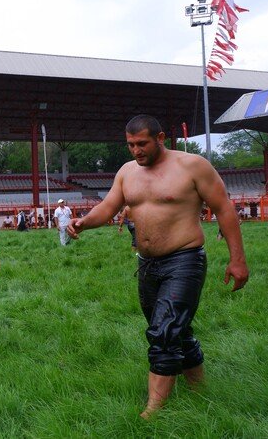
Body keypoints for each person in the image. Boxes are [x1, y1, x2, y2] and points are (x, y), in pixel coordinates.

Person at [66, 115, 249, 419]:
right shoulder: (127, 172)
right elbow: (109, 207)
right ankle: (198, 390)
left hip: (184, 260)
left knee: (163, 332)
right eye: (130, 145)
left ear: (160, 137)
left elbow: (224, 209)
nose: (136, 150)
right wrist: (84, 223)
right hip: (147, 264)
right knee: (177, 329)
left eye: (142, 143)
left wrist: (237, 260)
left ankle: (152, 413)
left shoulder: (192, 166)